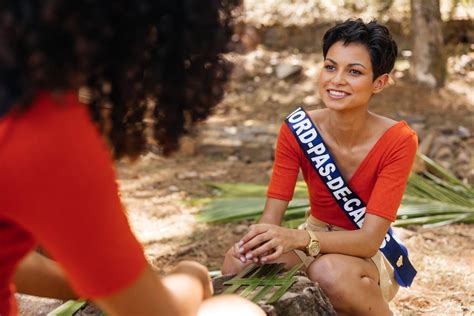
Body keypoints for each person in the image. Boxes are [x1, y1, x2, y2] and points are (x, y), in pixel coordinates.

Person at [0, 1, 265, 315]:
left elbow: (14, 259)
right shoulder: (44, 131)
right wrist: (192, 275)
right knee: (238, 311)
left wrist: (101, 284)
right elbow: (156, 313)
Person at [222, 19, 418, 315]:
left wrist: (300, 239)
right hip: (311, 240)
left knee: (329, 272)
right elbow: (271, 218)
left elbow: (368, 240)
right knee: (241, 263)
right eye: (330, 66)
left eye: (354, 71)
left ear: (379, 82)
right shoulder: (297, 129)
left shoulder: (398, 140)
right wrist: (254, 244)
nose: (336, 80)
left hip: (367, 254)